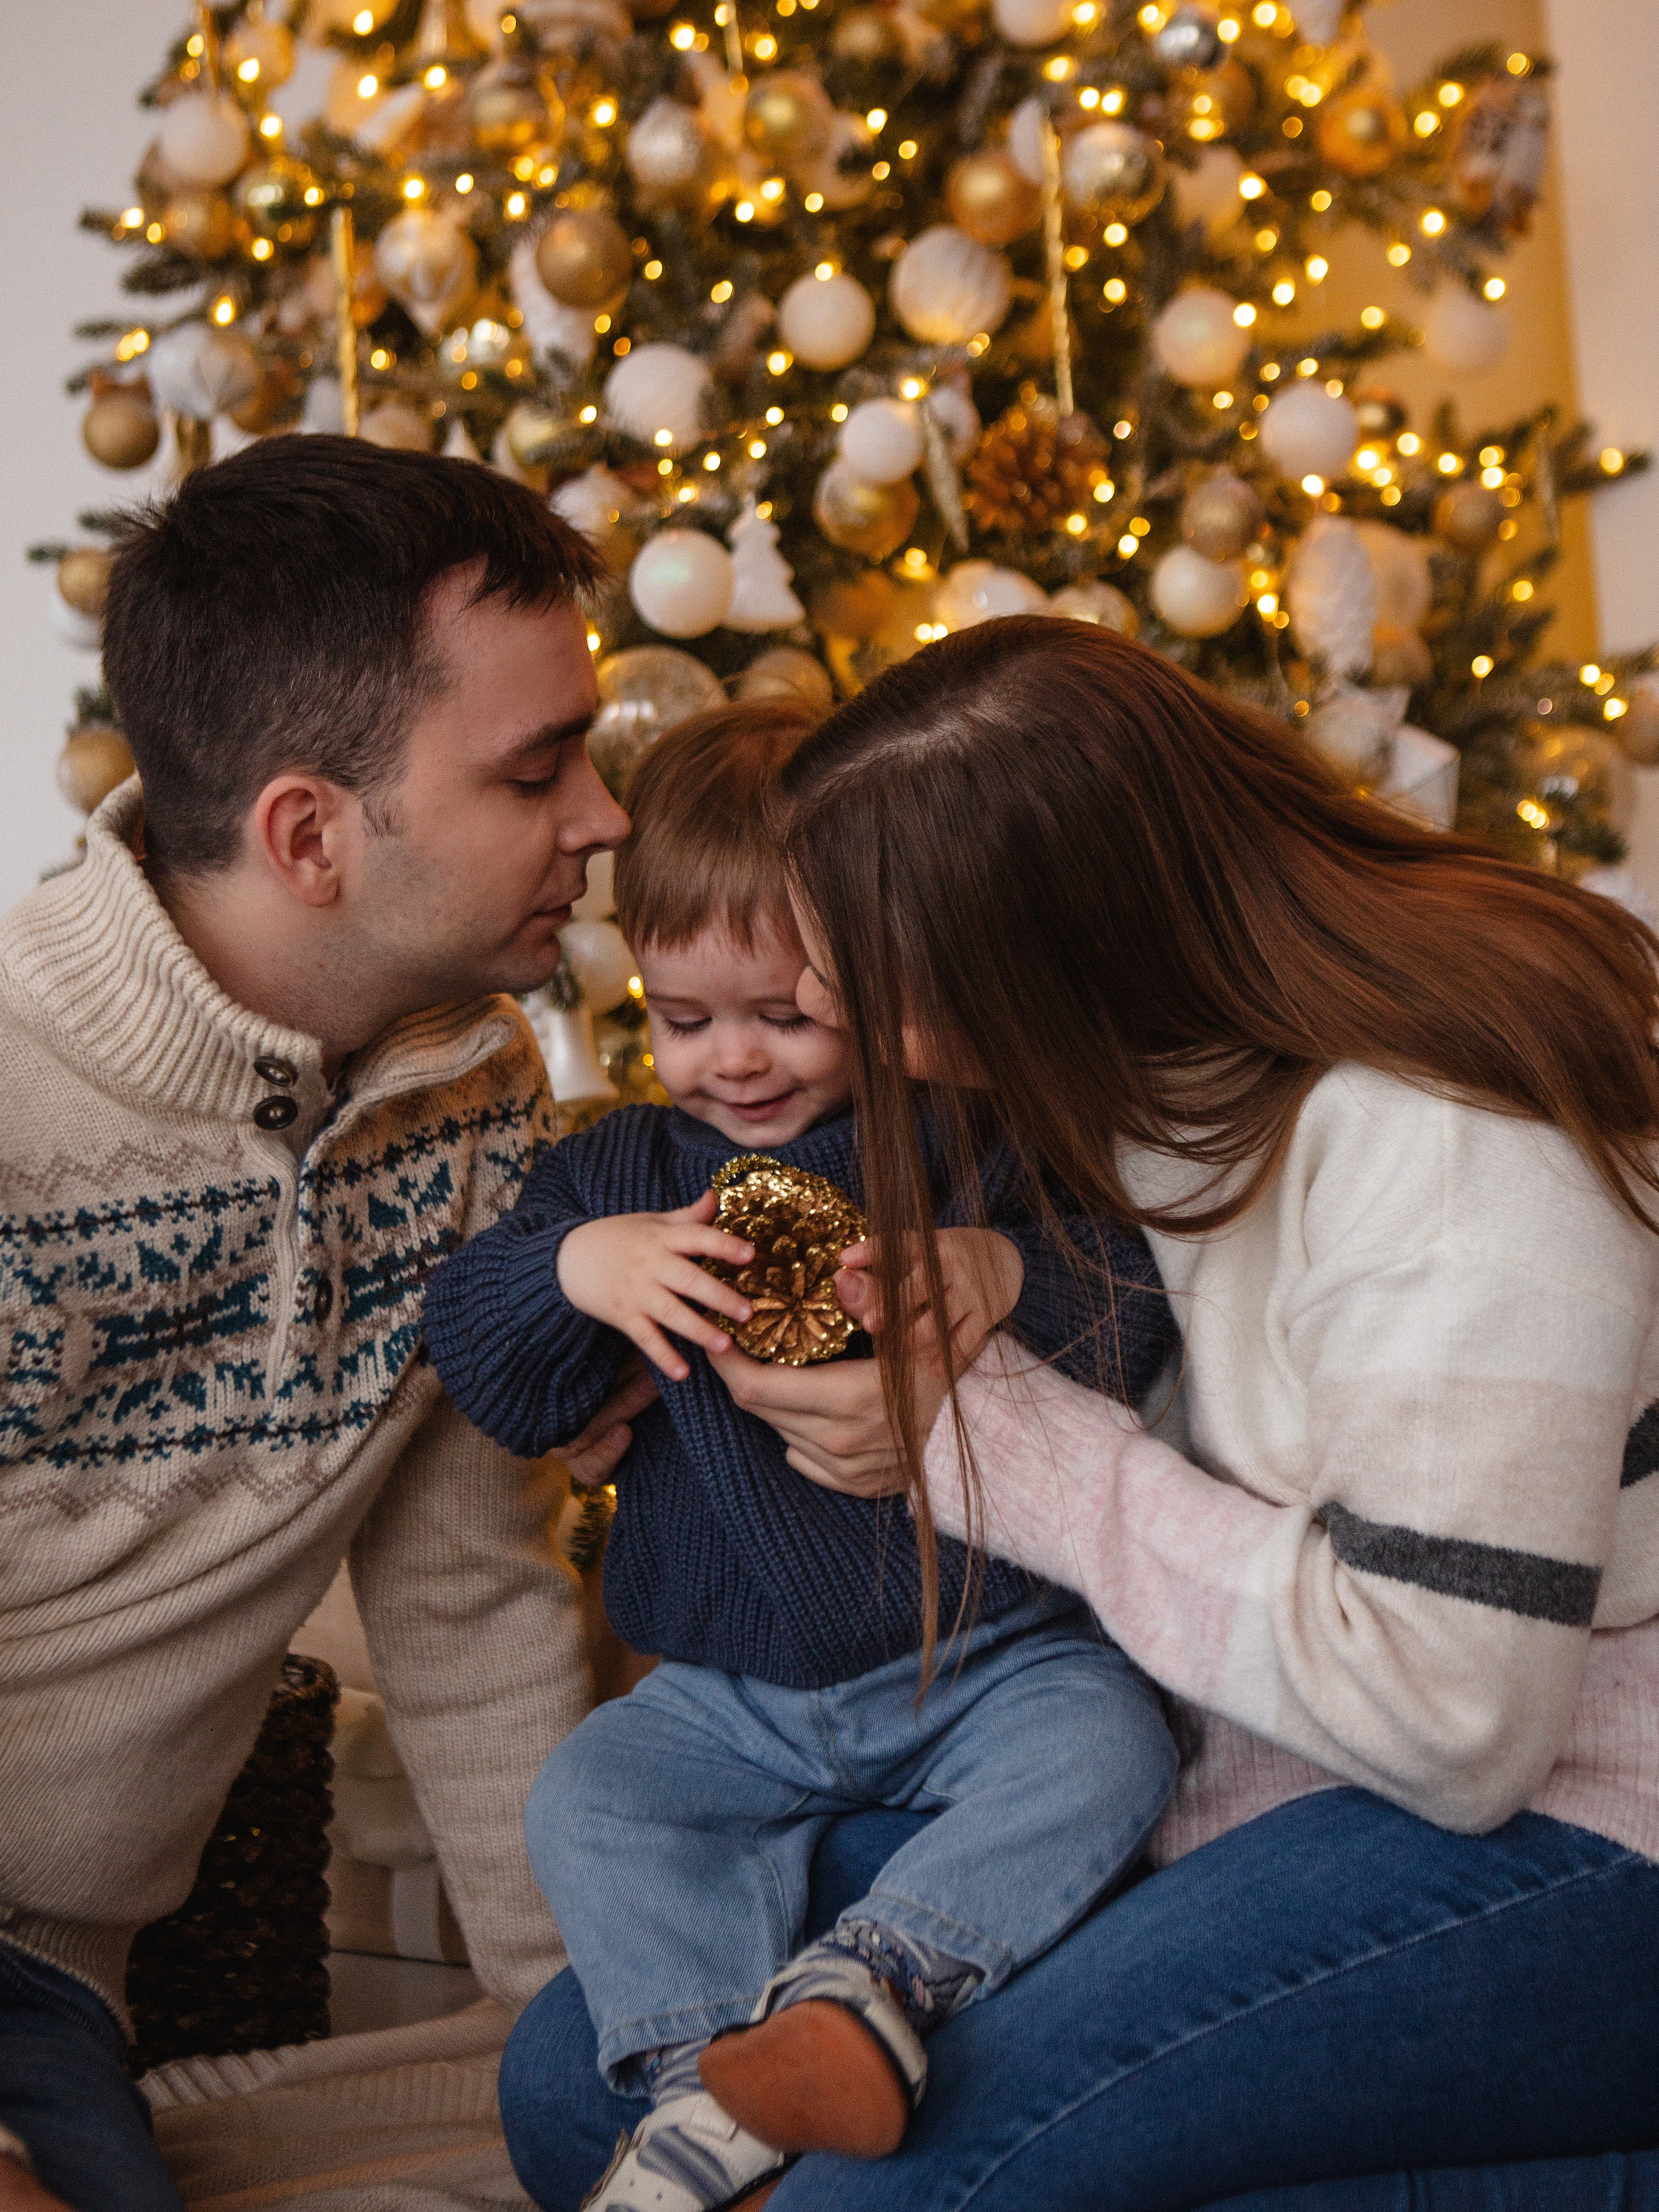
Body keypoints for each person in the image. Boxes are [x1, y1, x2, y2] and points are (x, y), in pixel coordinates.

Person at [499, 616, 1659, 2209]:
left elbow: (1456, 1723)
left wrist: (987, 1438)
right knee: (575, 2075)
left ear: (1028, 964)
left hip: (1572, 1815)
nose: (842, 1044)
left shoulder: (1453, 1142)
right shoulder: (1147, 1096)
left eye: (861, 998)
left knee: (868, 2186)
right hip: (1257, 1773)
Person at [424, 701, 1179, 2212]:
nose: (733, 1062)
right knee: (588, 1795)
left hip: (983, 1655)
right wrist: (578, 1271)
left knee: (1112, 1745)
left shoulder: (967, 1140)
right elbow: (488, 1366)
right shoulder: (623, 1176)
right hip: (732, 1696)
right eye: (683, 1018)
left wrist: (1001, 1275)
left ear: (878, 979)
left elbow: (1137, 1304)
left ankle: (872, 1980)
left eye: (782, 1012)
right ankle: (709, 2096)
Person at [0, 436, 638, 2212]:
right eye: (539, 769)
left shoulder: (470, 1090)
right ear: (311, 833)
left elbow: (467, 1591)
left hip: (50, 1979)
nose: (603, 818)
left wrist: (603, 2034)